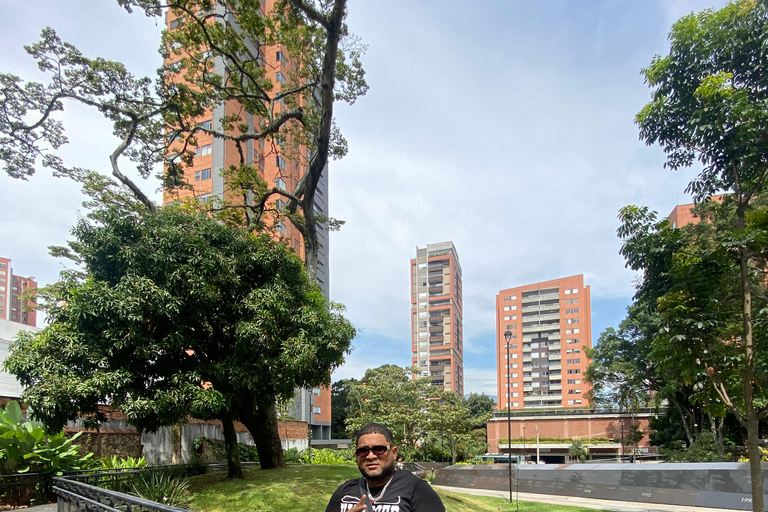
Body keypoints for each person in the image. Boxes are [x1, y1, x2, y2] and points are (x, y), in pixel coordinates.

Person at [325, 422, 445, 512]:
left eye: (379, 449)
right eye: (363, 451)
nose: (370, 456)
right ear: (357, 456)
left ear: (394, 452)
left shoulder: (417, 490)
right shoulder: (344, 491)